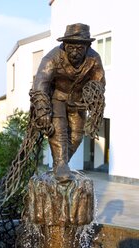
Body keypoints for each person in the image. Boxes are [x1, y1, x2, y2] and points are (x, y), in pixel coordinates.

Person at [30, 23, 106, 182]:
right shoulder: (52, 57)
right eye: (71, 47)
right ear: (65, 45)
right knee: (59, 131)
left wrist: (93, 96)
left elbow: (99, 82)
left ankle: (61, 163)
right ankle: (61, 165)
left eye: (79, 48)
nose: (75, 52)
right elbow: (40, 83)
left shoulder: (94, 59)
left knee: (77, 136)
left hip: (78, 103)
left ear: (87, 46)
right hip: (57, 98)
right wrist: (42, 110)